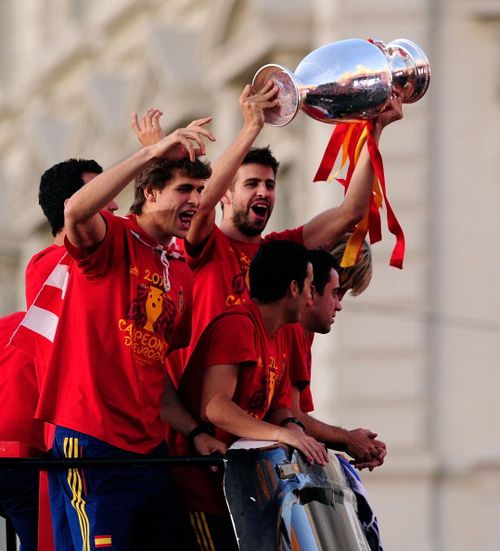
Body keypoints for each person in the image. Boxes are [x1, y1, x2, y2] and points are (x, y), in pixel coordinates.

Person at [34, 120, 226, 551]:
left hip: (150, 452)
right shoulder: (112, 239)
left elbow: (151, 372)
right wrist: (151, 152)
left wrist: (194, 432)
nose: (196, 200)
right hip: (93, 443)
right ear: (152, 192)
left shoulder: (179, 271)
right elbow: (76, 213)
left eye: (199, 191)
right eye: (185, 190)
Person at [173, 240, 329, 550]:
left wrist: (293, 429)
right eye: (311, 286)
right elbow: (215, 407)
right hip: (202, 492)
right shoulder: (237, 325)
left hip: (238, 493)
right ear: (294, 287)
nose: (313, 296)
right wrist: (283, 436)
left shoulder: (281, 332)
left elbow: (279, 406)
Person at [287, 238, 387, 470]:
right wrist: (346, 439)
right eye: (336, 291)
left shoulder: (304, 331)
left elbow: (293, 419)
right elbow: (290, 415)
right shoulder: (291, 328)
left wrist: (350, 444)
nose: (339, 304)